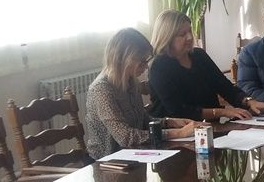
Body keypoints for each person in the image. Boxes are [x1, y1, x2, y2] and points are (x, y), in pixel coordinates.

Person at [85, 28, 199, 159]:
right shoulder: (101, 89)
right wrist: (179, 133)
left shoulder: (131, 81)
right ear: (124, 59)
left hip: (133, 155)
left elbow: (144, 121)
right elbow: (125, 137)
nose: (146, 67)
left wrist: (171, 122)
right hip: (107, 162)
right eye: (142, 61)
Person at [148, 10, 264, 121]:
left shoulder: (198, 55)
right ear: (167, 37)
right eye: (182, 34)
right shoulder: (159, 66)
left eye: (189, 31)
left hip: (209, 126)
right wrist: (223, 112)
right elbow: (178, 111)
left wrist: (249, 102)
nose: (189, 37)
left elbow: (224, 86)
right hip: (177, 132)